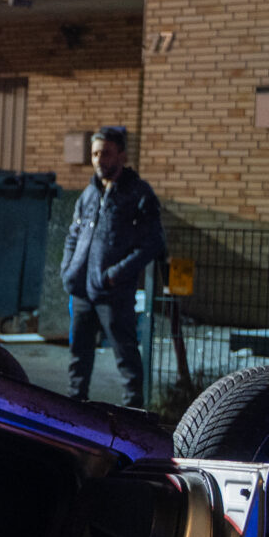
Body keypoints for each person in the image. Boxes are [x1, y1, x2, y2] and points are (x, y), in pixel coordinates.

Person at [61, 124, 167, 409]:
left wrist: (114, 276)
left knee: (126, 357)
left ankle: (133, 418)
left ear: (121, 155)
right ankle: (74, 413)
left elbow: (153, 243)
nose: (99, 160)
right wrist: (68, 269)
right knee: (78, 358)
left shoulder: (139, 194)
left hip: (114, 293)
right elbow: (74, 233)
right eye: (95, 154)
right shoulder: (89, 193)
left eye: (105, 153)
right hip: (82, 290)